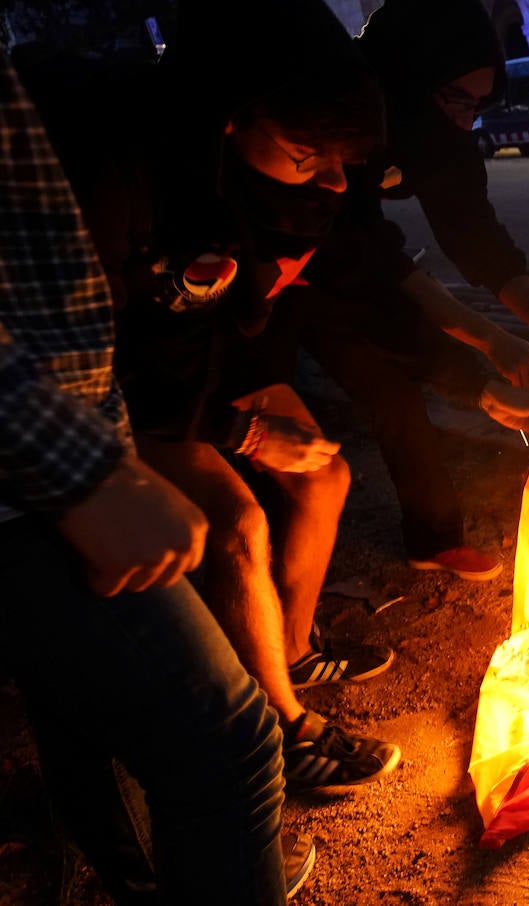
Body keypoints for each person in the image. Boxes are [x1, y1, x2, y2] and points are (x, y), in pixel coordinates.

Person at [21, 0, 405, 791]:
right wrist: (241, 434)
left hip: (178, 369)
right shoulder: (117, 172)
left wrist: (487, 358)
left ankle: (292, 652)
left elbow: (236, 306)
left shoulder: (233, 170)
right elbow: (103, 363)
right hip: (85, 395)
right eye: (309, 155)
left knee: (325, 474)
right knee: (235, 523)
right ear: (234, 116)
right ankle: (282, 727)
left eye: (342, 159)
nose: (334, 179)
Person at [0, 50, 308, 903]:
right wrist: (88, 474)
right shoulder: (124, 163)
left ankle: (143, 871)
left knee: (80, 691)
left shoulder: (175, 175)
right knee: (229, 747)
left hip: (65, 440)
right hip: (29, 475)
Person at [253, 0, 529, 583]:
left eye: (477, 105)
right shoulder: (342, 123)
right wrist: (490, 346)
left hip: (341, 264)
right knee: (263, 415)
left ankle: (433, 539)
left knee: (395, 393)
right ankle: (266, 564)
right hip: (265, 280)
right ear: (409, 77)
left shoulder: (442, 133)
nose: (465, 121)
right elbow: (374, 261)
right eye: (456, 99)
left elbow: (473, 231)